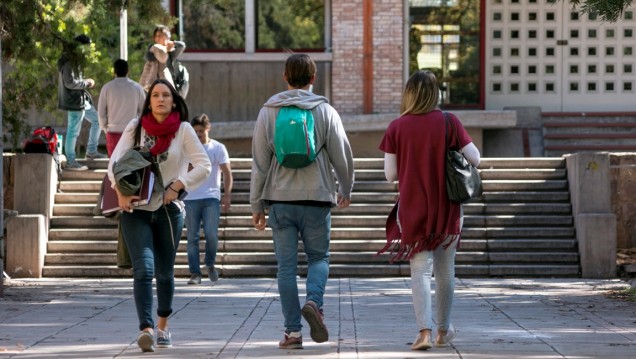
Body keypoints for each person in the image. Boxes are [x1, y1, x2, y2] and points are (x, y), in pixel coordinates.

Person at [250, 53, 354, 349]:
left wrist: (256, 205)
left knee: (286, 268)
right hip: (317, 198)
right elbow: (342, 155)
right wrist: (345, 187)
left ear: (285, 77)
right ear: (313, 78)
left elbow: (259, 163)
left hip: (280, 201)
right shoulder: (325, 111)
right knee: (319, 258)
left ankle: (293, 333)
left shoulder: (268, 111)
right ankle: (314, 302)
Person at [377, 70, 480, 351]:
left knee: (420, 270)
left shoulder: (397, 127)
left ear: (408, 93)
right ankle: (443, 331)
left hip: (413, 208)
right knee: (445, 271)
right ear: (435, 93)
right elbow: (475, 158)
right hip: (447, 207)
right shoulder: (449, 121)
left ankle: (423, 331)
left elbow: (390, 175)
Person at [107, 78, 211, 352]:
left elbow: (204, 165)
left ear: (174, 101)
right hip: (136, 210)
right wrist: (120, 192)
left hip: (168, 212)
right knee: (144, 269)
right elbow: (114, 164)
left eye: (166, 95)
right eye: (155, 95)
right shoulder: (136, 127)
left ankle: (163, 325)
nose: (161, 99)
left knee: (165, 274)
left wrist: (179, 185)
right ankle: (146, 329)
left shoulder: (184, 130)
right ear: (149, 100)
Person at [184, 113, 233, 285]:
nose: (198, 135)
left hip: (211, 197)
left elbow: (227, 172)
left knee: (211, 235)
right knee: (192, 238)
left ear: (208, 129)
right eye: (195, 131)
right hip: (190, 198)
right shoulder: (188, 149)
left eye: (201, 131)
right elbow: (181, 171)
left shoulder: (218, 148)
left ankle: (210, 264)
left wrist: (227, 194)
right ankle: (195, 273)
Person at [57, 34, 107, 171]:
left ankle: (91, 152)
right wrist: (87, 82)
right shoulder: (68, 62)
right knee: (73, 131)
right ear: (81, 48)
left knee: (97, 120)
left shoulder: (74, 60)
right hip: (74, 102)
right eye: (88, 49)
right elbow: (69, 83)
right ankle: (71, 161)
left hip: (81, 100)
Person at [98, 59, 146, 156]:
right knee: (130, 163)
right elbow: (143, 111)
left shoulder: (107, 87)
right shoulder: (137, 88)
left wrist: (104, 127)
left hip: (112, 131)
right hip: (132, 131)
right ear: (128, 70)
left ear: (114, 71)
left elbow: (101, 111)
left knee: (114, 163)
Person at [139, 25, 186, 96]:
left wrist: (173, 43)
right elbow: (147, 68)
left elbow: (182, 45)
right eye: (156, 36)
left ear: (167, 37)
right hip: (151, 86)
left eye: (161, 35)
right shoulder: (152, 50)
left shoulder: (171, 52)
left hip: (167, 85)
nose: (158, 38)